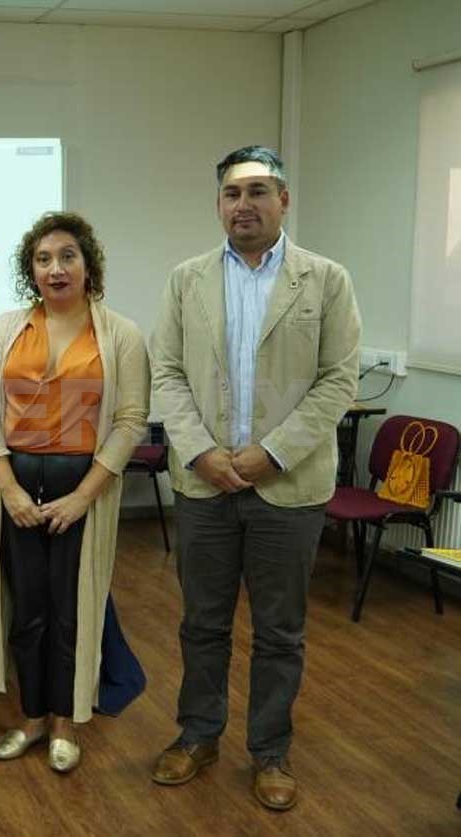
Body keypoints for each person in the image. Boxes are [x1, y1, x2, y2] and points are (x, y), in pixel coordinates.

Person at [149, 146, 361, 810]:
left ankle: (270, 751)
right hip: (204, 485)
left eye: (259, 191)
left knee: (279, 632)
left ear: (283, 200)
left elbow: (339, 380)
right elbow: (167, 373)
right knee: (202, 624)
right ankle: (198, 734)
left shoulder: (325, 280)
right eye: (233, 193)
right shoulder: (186, 280)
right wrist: (199, 451)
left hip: (288, 488)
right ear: (219, 204)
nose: (244, 205)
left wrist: (272, 452)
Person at [0, 211, 148, 772]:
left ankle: (66, 723)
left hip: (83, 487)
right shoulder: (7, 329)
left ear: (88, 265)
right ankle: (31, 718)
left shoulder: (120, 334)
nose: (55, 268)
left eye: (67, 256)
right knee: (27, 610)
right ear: (31, 271)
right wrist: (9, 488)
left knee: (73, 610)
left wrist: (83, 497)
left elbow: (130, 421)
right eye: (43, 259)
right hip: (17, 486)